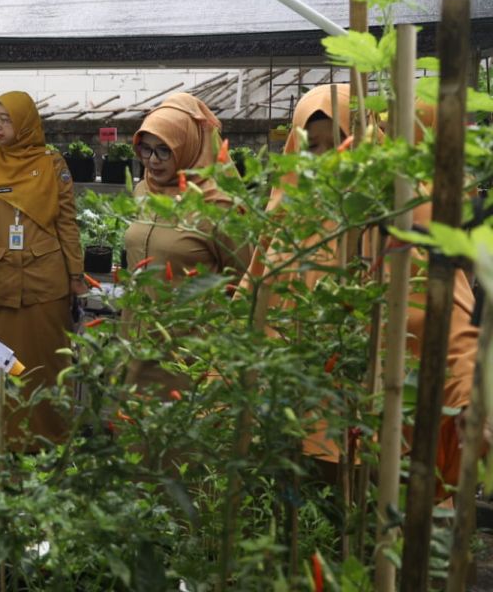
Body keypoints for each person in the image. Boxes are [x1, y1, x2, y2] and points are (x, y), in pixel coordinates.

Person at [258, 84, 478, 491]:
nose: (325, 159)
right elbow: (253, 297)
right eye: (312, 147)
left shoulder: (390, 214)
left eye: (337, 143)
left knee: (377, 529)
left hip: (376, 428)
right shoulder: (287, 216)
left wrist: (467, 390)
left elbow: (443, 312)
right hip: (296, 424)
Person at [0, 92, 84, 446]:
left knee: (48, 365)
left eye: (6, 119)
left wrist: (76, 276)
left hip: (47, 284)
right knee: (1, 367)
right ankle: (4, 438)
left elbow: (67, 223)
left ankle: (50, 438)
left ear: (26, 122)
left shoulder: (52, 165)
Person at [123, 92, 249, 394]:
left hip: (188, 357)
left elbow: (246, 282)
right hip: (135, 347)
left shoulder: (218, 206)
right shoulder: (142, 192)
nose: (152, 160)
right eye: (146, 149)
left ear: (188, 147)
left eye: (164, 150)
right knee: (134, 433)